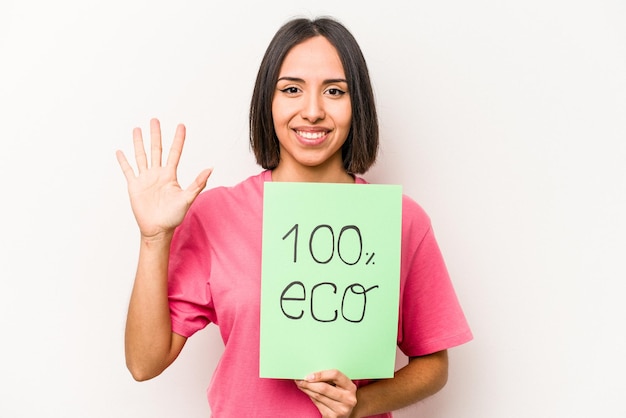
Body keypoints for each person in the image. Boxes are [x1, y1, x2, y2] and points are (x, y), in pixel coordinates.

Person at [116, 16, 472, 418]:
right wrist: (153, 238)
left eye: (334, 91)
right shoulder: (217, 214)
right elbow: (144, 363)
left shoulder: (402, 221)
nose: (313, 111)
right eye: (292, 90)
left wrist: (359, 405)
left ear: (357, 106)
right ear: (268, 101)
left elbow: (434, 365)